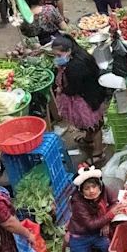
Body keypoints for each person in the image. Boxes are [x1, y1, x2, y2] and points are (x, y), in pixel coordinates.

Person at [51, 35, 109, 164]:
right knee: (89, 124)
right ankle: (88, 140)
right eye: (54, 55)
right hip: (90, 94)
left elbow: (72, 89)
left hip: (87, 99)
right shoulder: (79, 54)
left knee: (95, 125)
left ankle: (98, 153)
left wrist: (61, 90)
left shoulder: (75, 67)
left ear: (69, 51)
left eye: (59, 55)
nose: (56, 58)